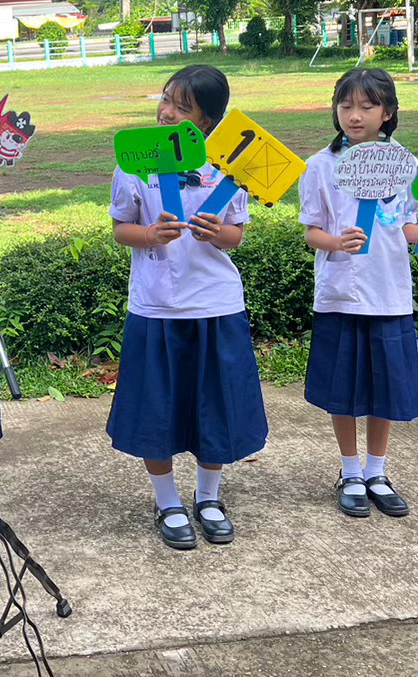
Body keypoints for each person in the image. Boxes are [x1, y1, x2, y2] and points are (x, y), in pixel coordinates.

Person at [107, 64, 267, 549]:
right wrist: (149, 234)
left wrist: (220, 233)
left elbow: (236, 235)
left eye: (183, 107)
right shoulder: (134, 163)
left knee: (215, 405)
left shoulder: (229, 167)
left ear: (207, 121)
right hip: (156, 307)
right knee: (155, 409)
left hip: (216, 306)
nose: (168, 112)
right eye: (166, 99)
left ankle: (209, 497)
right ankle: (167, 501)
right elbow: (121, 228)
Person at [298, 68, 418, 519]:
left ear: (389, 112)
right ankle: (350, 472)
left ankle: (377, 471)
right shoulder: (320, 165)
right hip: (341, 293)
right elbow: (311, 232)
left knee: (385, 386)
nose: (354, 116)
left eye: (366, 106)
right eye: (345, 106)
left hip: (388, 292)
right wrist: (335, 242)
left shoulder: (405, 164)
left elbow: (406, 225)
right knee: (342, 387)